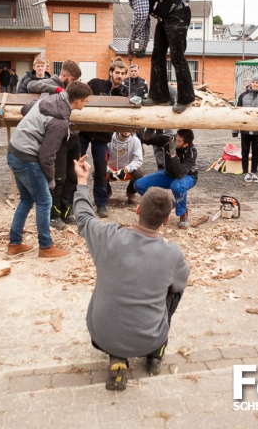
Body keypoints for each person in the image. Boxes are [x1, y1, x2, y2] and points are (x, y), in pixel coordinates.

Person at [73, 156, 190, 391]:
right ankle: (155, 353)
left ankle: (117, 357)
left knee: (109, 285)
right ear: (167, 219)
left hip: (102, 338)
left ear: (137, 209)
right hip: (149, 338)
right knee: (174, 290)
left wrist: (82, 180)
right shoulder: (172, 253)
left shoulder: (108, 237)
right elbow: (180, 284)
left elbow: (84, 217)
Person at [6, 80, 92, 259]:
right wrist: (51, 180)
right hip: (26, 158)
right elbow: (47, 156)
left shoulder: (49, 100)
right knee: (45, 201)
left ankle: (14, 244)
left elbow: (25, 109)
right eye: (86, 101)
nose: (87, 104)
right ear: (77, 101)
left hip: (14, 151)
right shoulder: (59, 121)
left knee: (27, 201)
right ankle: (46, 247)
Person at [103, 0, 195, 113]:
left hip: (178, 14)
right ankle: (159, 96)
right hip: (165, 18)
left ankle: (186, 98)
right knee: (157, 55)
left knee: (177, 57)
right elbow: (145, 22)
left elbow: (141, 15)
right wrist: (143, 45)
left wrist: (132, 41)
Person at [27, 60, 82, 229]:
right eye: (72, 80)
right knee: (59, 177)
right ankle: (53, 215)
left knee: (73, 176)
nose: (75, 84)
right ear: (64, 75)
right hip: (57, 137)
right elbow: (30, 86)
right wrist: (57, 89)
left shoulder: (74, 86)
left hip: (73, 136)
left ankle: (66, 211)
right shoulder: (50, 83)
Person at [80, 57, 128, 218]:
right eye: (117, 72)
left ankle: (101, 204)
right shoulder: (95, 84)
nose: (119, 76)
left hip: (102, 136)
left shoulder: (124, 93)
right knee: (76, 166)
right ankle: (74, 201)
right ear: (110, 72)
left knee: (101, 170)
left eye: (122, 73)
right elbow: (80, 96)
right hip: (84, 132)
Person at [134, 129, 198, 228]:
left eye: (178, 140)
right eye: (175, 137)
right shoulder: (170, 140)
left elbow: (180, 174)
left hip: (187, 176)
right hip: (168, 174)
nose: (174, 141)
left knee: (177, 186)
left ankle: (183, 213)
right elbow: (149, 140)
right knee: (139, 185)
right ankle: (163, 207)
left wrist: (173, 154)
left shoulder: (191, 152)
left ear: (185, 144)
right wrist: (147, 133)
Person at [232, 74, 258, 183]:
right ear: (251, 83)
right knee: (245, 151)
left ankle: (253, 172)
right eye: (253, 82)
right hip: (245, 129)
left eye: (257, 83)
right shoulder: (242, 96)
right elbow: (237, 114)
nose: (255, 84)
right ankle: (245, 172)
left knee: (256, 151)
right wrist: (235, 130)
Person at [106, 131, 145, 205]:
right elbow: (101, 159)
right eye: (124, 128)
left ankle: (131, 193)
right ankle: (106, 192)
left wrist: (126, 169)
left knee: (140, 172)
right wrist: (109, 171)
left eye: (130, 129)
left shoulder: (135, 140)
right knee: (97, 172)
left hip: (126, 170)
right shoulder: (109, 139)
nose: (127, 131)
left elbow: (138, 160)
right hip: (111, 169)